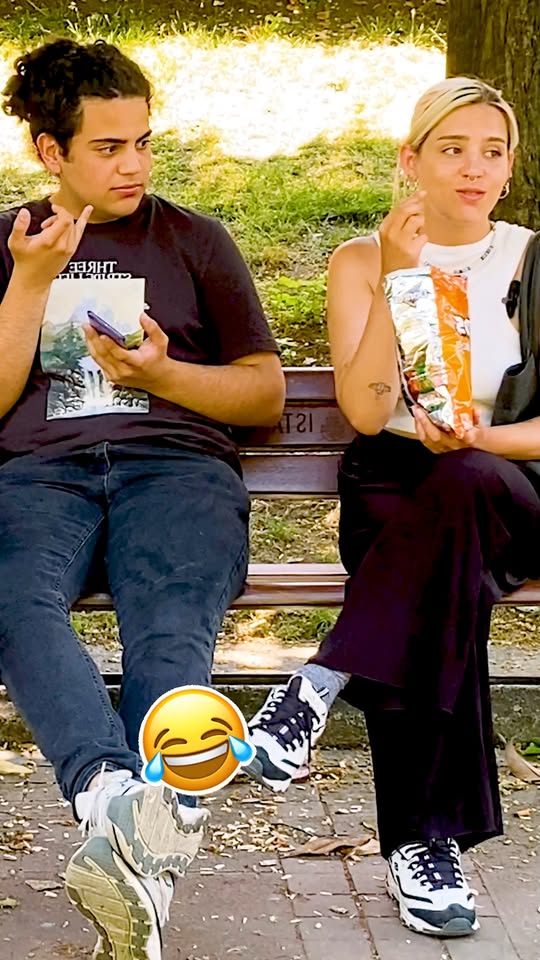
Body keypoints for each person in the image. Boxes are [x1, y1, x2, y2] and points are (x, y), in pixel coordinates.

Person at [0, 38, 285, 959]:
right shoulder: (9, 243)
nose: (134, 165)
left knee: (170, 621)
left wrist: (164, 375)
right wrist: (31, 282)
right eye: (109, 147)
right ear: (51, 152)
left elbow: (264, 394)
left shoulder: (195, 241)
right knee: (11, 599)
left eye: (144, 142)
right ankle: (117, 800)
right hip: (41, 475)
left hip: (177, 469)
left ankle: (126, 850)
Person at [246, 76, 540, 939]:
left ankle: (322, 681)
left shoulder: (534, 261)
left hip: (513, 482)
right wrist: (398, 278)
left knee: (462, 487)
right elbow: (369, 412)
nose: (474, 169)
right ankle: (428, 850)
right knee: (438, 576)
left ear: (510, 168)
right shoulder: (359, 261)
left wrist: (481, 439)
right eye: (452, 150)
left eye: (492, 152)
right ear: (411, 162)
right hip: (398, 481)